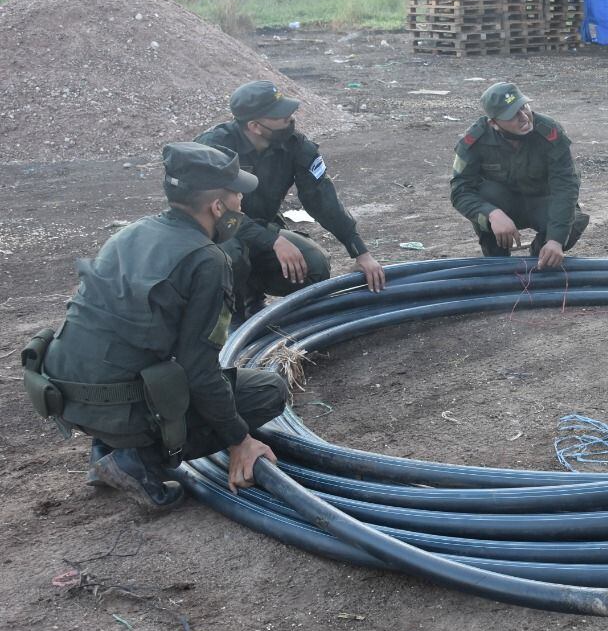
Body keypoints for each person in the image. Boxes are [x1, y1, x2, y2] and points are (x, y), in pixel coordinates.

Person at [23, 143, 288, 508]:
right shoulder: (207, 261)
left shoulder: (132, 233)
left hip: (68, 397)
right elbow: (200, 372)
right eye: (237, 196)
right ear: (217, 207)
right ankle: (137, 461)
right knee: (268, 391)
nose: (242, 204)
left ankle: (108, 447)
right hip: (116, 406)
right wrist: (240, 440)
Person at [196, 81, 384, 321]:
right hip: (214, 234)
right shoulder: (213, 149)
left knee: (314, 266)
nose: (290, 117)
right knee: (230, 254)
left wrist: (359, 251)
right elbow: (217, 215)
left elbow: (322, 199)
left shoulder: (296, 145)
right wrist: (273, 240)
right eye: (280, 115)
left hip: (261, 226)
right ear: (255, 126)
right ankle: (233, 317)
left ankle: (253, 296)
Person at [450, 82, 589, 270]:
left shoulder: (549, 132)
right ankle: (497, 264)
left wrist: (556, 240)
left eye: (524, 107)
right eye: (513, 115)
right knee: (486, 195)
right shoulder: (476, 139)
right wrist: (492, 214)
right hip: (503, 206)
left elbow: (566, 186)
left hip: (541, 202)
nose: (524, 117)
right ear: (494, 123)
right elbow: (460, 190)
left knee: (572, 220)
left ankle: (538, 260)